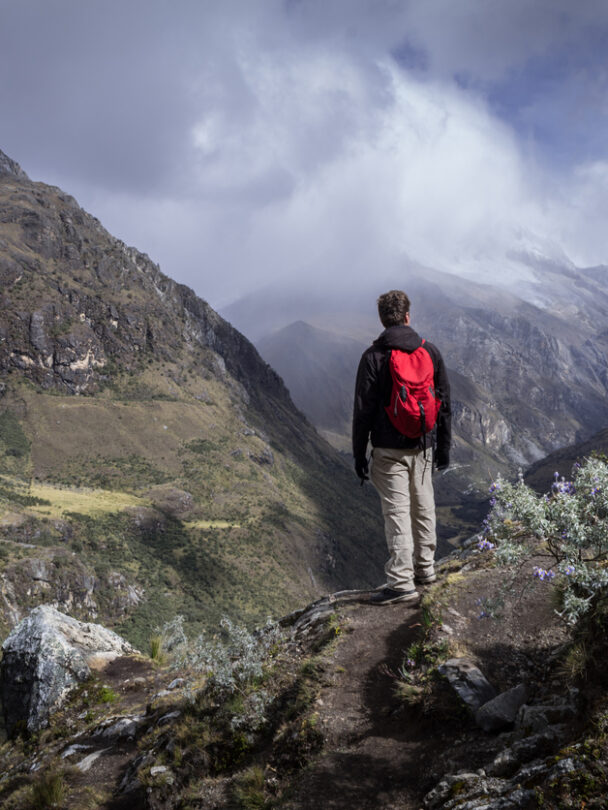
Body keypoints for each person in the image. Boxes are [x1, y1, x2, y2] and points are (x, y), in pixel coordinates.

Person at [352, 290, 451, 605]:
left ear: (382, 320)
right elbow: (444, 404)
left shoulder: (373, 357)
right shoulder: (430, 351)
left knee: (397, 513)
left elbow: (363, 411)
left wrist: (359, 455)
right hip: (423, 446)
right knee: (423, 506)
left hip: (388, 451)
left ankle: (401, 583)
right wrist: (443, 449)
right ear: (408, 316)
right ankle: (426, 569)